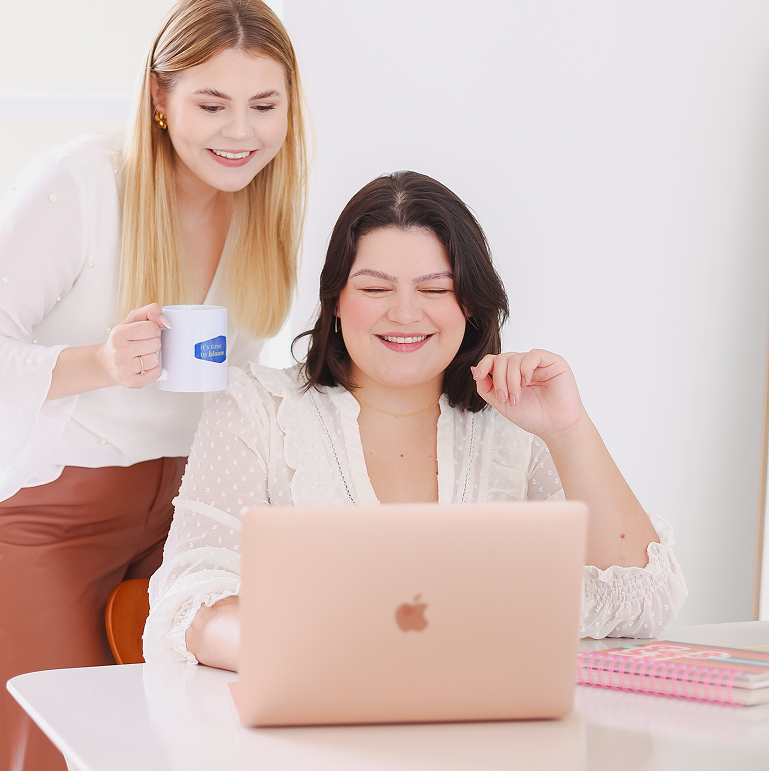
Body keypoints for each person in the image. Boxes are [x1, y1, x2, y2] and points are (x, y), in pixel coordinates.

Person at [0, 0, 308, 771]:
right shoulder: (82, 185)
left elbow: (241, 384)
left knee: (173, 746)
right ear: (159, 98)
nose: (241, 132)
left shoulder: (265, 206)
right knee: (47, 752)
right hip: (46, 511)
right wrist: (102, 364)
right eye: (211, 104)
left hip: (185, 513)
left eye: (263, 106)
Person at [144, 171, 688, 672]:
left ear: (470, 303)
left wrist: (566, 429)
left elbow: (645, 602)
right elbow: (191, 601)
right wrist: (319, 656)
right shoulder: (253, 407)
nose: (405, 314)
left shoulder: (516, 421)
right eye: (375, 289)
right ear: (335, 301)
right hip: (315, 716)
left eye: (434, 289)